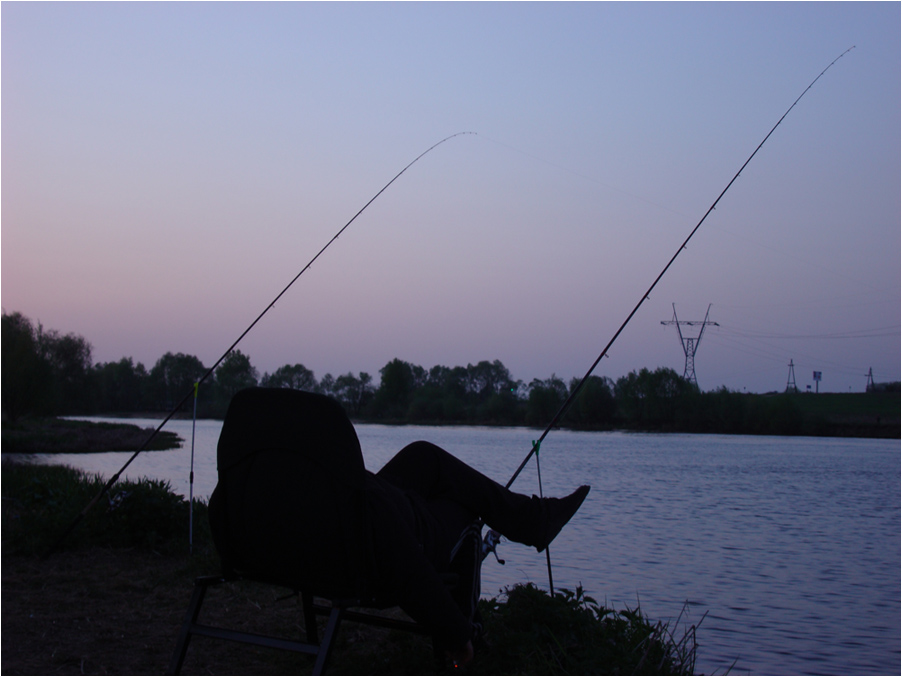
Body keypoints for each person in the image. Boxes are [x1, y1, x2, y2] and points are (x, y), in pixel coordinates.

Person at [363, 440, 590, 665]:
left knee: (423, 456)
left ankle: (534, 520)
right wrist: (455, 631)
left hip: (354, 519)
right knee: (465, 510)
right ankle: (465, 641)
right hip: (367, 539)